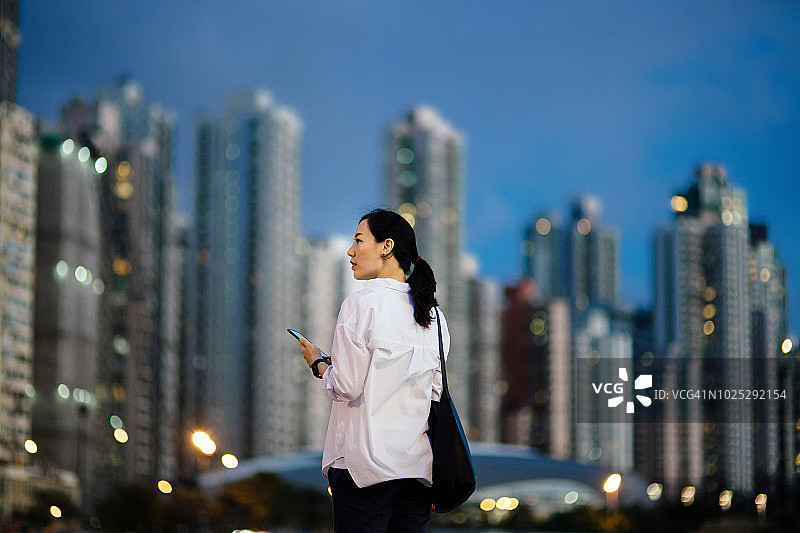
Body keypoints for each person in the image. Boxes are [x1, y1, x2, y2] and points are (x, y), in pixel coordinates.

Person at [297, 208, 449, 532]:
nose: (350, 251)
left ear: (386, 246)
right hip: (416, 472)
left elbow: (346, 386)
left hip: (364, 469)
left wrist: (319, 364)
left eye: (358, 240)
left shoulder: (361, 303)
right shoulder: (434, 317)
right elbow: (435, 395)